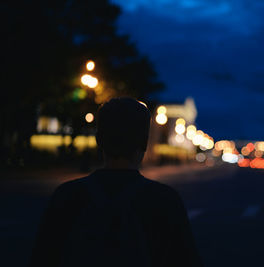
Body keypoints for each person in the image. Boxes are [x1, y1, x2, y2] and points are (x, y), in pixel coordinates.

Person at [30, 97, 202, 267]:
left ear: (99, 141)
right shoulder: (165, 200)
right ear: (144, 143)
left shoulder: (66, 195)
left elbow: (43, 258)